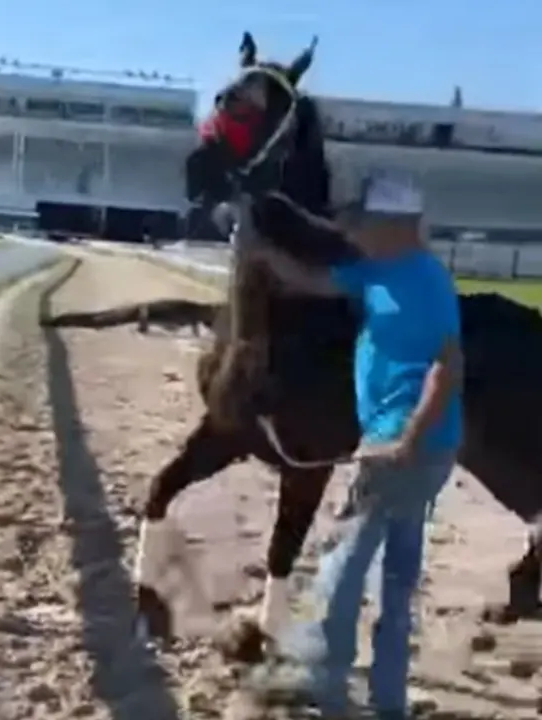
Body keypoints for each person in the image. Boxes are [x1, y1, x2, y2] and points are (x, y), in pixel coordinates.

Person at [243, 171, 464, 719]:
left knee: (341, 560)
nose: (353, 231)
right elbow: (314, 280)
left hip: (409, 443)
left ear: (394, 225)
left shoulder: (425, 281)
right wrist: (263, 255)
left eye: (362, 222)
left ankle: (319, 682)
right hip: (405, 442)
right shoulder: (375, 273)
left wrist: (407, 440)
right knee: (395, 576)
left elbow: (448, 365)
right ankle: (388, 702)